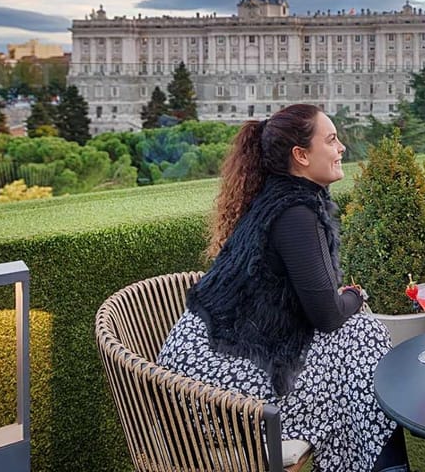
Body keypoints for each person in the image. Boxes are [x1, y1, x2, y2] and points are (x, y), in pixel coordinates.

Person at [157, 104, 409, 472]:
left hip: (200, 362)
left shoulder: (275, 199)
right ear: (301, 156)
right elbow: (327, 316)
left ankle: (383, 465)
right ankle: (385, 465)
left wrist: (344, 302)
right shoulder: (295, 213)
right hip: (210, 388)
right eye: (332, 140)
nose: (341, 148)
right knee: (361, 338)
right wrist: (356, 296)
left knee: (357, 338)